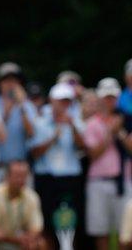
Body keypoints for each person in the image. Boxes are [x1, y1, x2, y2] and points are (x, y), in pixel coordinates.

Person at [28, 83, 85, 249]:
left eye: (67, 101)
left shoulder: (76, 121)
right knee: (47, 225)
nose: (64, 105)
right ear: (52, 101)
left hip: (70, 178)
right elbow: (35, 152)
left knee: (72, 224)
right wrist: (54, 136)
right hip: (47, 179)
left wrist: (72, 126)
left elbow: (83, 147)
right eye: (61, 101)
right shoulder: (40, 122)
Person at [83, 78, 129, 250]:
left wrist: (120, 132)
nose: (109, 101)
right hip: (98, 182)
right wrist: (110, 131)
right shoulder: (92, 123)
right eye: (106, 97)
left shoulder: (126, 120)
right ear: (101, 99)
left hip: (123, 181)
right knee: (101, 231)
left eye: (113, 97)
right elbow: (93, 154)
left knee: (125, 232)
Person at [0, 160, 45, 250]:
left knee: (41, 244)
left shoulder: (32, 197)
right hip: (0, 244)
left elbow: (36, 228)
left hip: (21, 243)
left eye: (24, 176)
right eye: (17, 176)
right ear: (7, 176)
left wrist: (28, 239)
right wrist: (17, 240)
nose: (21, 180)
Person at [0, 62, 37, 164]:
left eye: (13, 81)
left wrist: (21, 105)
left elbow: (31, 133)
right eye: (6, 81)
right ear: (0, 83)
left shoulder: (27, 106)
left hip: (21, 164)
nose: (10, 84)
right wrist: (7, 112)